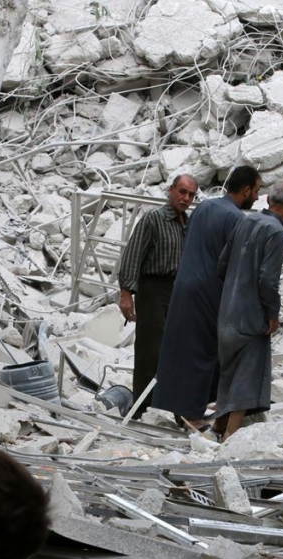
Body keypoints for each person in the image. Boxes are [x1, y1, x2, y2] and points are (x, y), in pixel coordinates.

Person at [152, 166, 263, 431]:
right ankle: (191, 414)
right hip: (209, 290)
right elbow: (233, 265)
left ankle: (184, 406)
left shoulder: (204, 207)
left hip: (184, 284)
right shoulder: (237, 219)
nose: (257, 197)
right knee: (203, 352)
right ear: (246, 190)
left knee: (182, 348)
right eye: (257, 191)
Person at [212, 180, 283, 438]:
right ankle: (230, 434)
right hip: (251, 317)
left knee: (228, 371)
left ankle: (217, 426)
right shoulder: (276, 233)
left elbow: (222, 265)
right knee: (247, 373)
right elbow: (268, 281)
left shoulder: (245, 221)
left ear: (268, 200)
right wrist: (273, 314)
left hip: (227, 311)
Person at [117, 174, 198, 418]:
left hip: (178, 291)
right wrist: (126, 293)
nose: (185, 198)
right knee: (150, 350)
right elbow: (133, 254)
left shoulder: (188, 223)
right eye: (182, 192)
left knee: (176, 349)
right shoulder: (154, 219)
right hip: (153, 288)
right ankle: (142, 407)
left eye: (191, 195)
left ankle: (169, 405)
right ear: (171, 190)